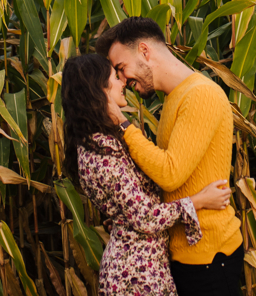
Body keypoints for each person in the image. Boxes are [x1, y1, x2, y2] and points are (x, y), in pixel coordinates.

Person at [96, 17, 244, 296]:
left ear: (144, 51)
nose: (123, 81)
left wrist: (123, 125)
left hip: (209, 255)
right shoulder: (175, 97)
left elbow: (170, 173)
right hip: (188, 253)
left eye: (121, 68)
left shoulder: (200, 96)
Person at [62, 53, 232, 296]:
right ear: (99, 91)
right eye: (115, 78)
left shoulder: (102, 142)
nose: (123, 83)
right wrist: (200, 200)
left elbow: (131, 204)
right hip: (136, 273)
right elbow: (145, 216)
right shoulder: (101, 152)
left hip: (144, 263)